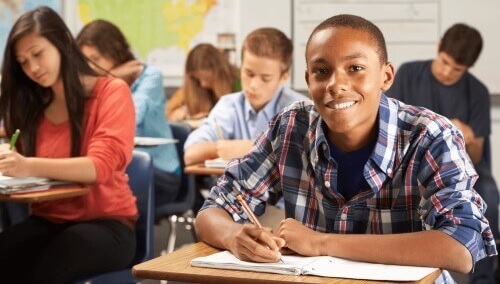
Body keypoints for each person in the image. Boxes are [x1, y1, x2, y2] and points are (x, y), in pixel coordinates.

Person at [194, 14, 497, 283]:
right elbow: (213, 210)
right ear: (308, 79)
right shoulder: (290, 128)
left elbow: (461, 247)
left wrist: (322, 242)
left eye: (355, 68)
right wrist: (235, 236)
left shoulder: (431, 136)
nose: (336, 84)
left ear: (386, 76)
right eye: (321, 71)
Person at [0, 6, 137, 283]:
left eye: (37, 54)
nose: (33, 68)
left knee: (50, 262)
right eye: (23, 62)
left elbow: (97, 167)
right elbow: (27, 175)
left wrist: (26, 165)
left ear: (61, 41)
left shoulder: (111, 92)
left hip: (107, 226)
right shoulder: (34, 106)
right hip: (49, 221)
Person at [386, 23, 499, 284]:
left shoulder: (478, 91)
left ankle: (483, 277)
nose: (448, 72)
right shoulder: (409, 73)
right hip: (412, 162)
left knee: (489, 199)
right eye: (445, 62)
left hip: (463, 166)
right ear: (438, 48)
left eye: (457, 69)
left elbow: (478, 153)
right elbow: (391, 127)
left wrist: (468, 135)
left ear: (468, 68)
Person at [76, 19, 181, 208]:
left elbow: (129, 119)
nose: (90, 67)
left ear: (115, 53)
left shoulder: (150, 76)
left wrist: (111, 80)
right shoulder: (92, 86)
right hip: (121, 168)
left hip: (159, 171)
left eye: (96, 58)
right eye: (85, 60)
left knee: (105, 181)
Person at [183, 27, 307, 166]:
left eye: (265, 78)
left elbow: (308, 158)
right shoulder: (229, 105)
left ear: (284, 76)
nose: (253, 85)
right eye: (249, 73)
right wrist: (222, 148)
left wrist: (249, 148)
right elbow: (190, 154)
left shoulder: (300, 110)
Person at [166, 43, 241, 123]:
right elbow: (170, 111)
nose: (202, 84)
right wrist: (181, 115)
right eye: (198, 79)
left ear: (217, 72)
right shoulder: (193, 86)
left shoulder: (237, 81)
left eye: (206, 78)